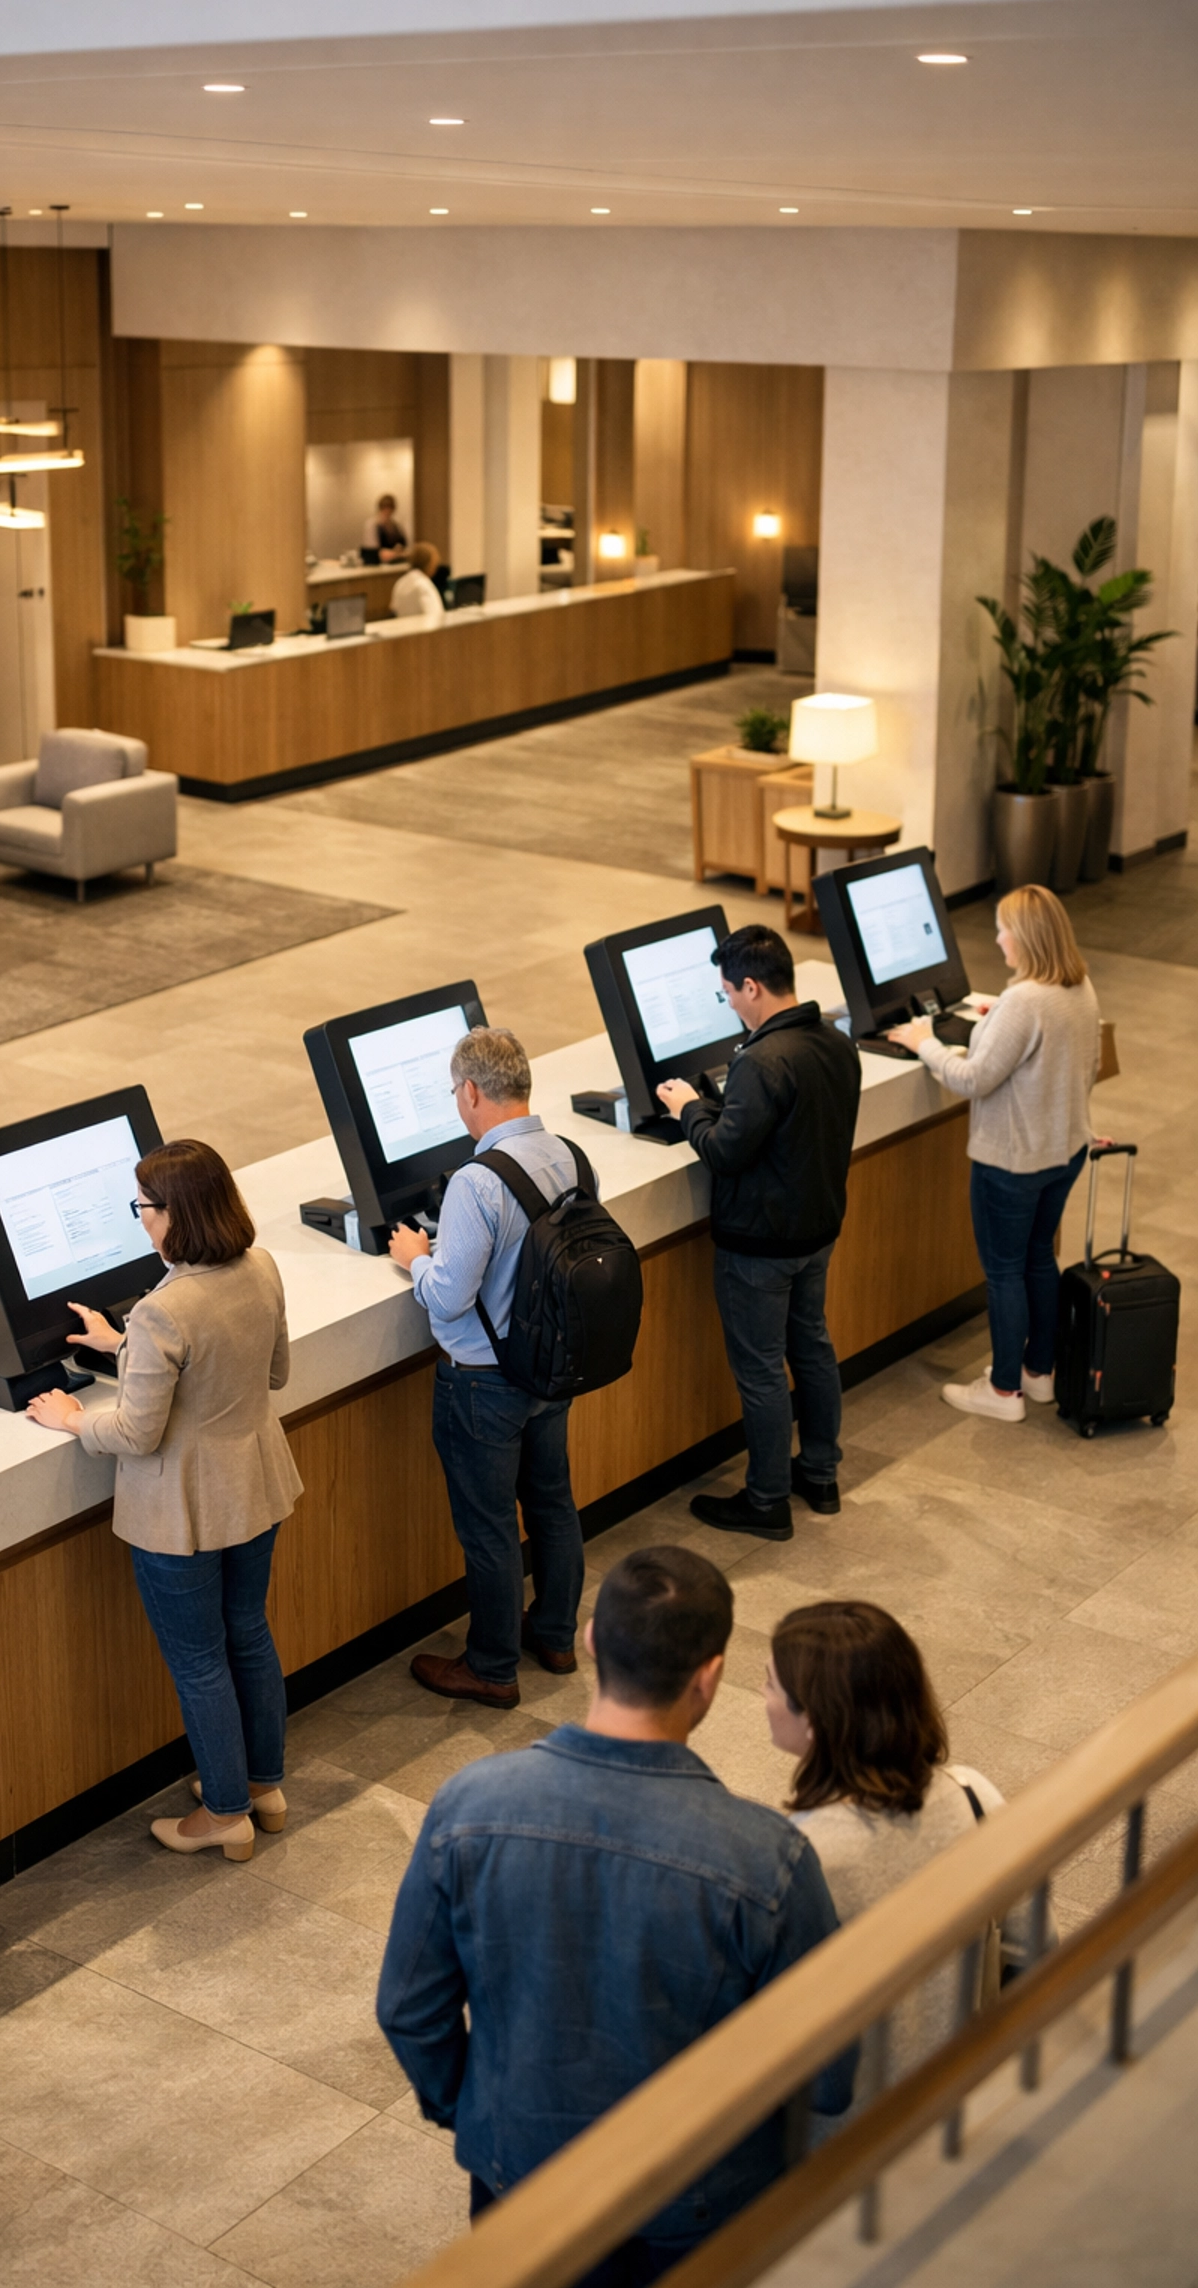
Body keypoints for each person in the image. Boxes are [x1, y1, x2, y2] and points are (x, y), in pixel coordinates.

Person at [378, 1546, 852, 2283]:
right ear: (711, 1676)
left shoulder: (469, 1806)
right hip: (699, 2204)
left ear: (593, 1639)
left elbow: (410, 2009)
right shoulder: (770, 1858)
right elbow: (830, 2073)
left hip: (519, 2176)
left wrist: (476, 2109)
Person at [26, 1139, 302, 1862]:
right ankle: (263, 1788)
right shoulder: (261, 1267)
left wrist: (73, 1420)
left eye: (144, 1209)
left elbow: (137, 1432)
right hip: (255, 1487)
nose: (141, 1222)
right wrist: (123, 1345)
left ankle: (224, 1814)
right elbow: (271, 1372)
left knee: (200, 1662)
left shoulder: (165, 1309)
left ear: (175, 1215)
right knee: (249, 1633)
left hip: (182, 1510)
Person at [764, 1599, 1036, 2104]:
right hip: (966, 2095)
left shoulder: (797, 1857)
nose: (764, 1699)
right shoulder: (973, 1795)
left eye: (771, 1685)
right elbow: (1032, 1948)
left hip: (851, 2136)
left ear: (816, 1723)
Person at [387, 1025, 586, 1709]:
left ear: (471, 1091)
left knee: (492, 1527)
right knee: (553, 1505)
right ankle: (555, 1635)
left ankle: (492, 1667)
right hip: (551, 1368)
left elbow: (449, 1295)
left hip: (484, 1383)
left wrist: (416, 1256)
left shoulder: (477, 1181)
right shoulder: (570, 1154)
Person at [656, 924, 861, 1541]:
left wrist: (687, 1108)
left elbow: (723, 1152)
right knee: (813, 1349)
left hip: (760, 1248)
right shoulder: (833, 1040)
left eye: (728, 994)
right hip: (816, 1231)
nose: (731, 1006)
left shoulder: (764, 1059)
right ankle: (819, 1474)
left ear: (750, 986)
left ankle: (767, 1498)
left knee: (763, 1370)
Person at [890, 884, 1100, 1422]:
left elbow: (974, 1079)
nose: (998, 936)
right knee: (1038, 1258)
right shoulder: (1078, 988)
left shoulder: (1024, 1002)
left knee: (1003, 1271)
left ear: (1026, 938)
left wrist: (924, 1043)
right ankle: (1039, 1373)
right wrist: (992, 1019)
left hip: (1012, 1163)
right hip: (1064, 1152)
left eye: (1004, 928)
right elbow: (1083, 1065)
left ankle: (1003, 1391)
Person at [389, 540, 445, 621]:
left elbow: (393, 608)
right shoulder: (423, 585)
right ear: (430, 564)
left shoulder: (400, 582)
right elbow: (436, 616)